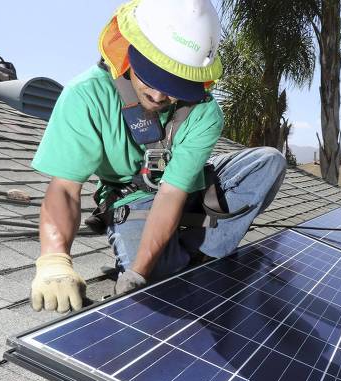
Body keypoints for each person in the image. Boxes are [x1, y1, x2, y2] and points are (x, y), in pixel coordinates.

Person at [30, 0, 286, 314]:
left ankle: (198, 254)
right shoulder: (86, 96)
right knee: (158, 282)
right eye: (150, 77)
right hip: (131, 198)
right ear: (128, 52)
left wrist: (137, 273)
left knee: (269, 162)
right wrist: (55, 258)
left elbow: (171, 192)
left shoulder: (204, 111)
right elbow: (65, 189)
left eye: (173, 85)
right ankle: (180, 253)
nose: (159, 95)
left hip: (183, 185)